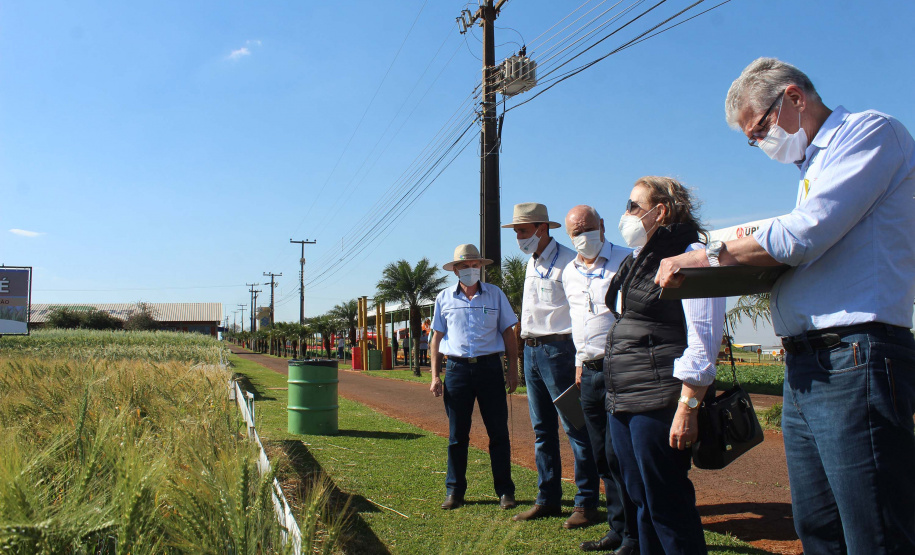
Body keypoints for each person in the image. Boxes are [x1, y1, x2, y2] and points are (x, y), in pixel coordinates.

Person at [656, 58, 915, 554]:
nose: (760, 145)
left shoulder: (869, 133)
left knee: (873, 529)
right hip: (810, 364)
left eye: (759, 129)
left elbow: (802, 235)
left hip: (854, 356)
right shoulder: (812, 167)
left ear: (793, 98)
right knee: (818, 527)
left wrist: (707, 253)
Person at [607, 176, 724, 555]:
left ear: (659, 212)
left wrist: (687, 407)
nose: (624, 215)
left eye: (632, 207)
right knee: (640, 498)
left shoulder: (692, 254)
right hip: (625, 398)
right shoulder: (638, 260)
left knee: (667, 503)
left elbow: (704, 340)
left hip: (659, 401)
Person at [503, 202, 601, 529]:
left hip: (560, 352)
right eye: (516, 231)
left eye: (523, 231)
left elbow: (578, 313)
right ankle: (547, 499)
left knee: (576, 427)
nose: (518, 238)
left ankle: (586, 503)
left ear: (542, 229)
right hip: (532, 352)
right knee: (542, 430)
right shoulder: (533, 262)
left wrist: (578, 358)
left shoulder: (568, 263)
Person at [560, 205, 638, 554]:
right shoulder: (569, 272)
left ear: (602, 226)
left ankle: (637, 534)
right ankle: (617, 529)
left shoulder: (627, 260)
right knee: (600, 456)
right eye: (575, 232)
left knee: (622, 453)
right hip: (588, 372)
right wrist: (579, 362)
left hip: (621, 367)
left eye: (588, 228)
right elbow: (580, 321)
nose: (583, 237)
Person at [429, 243, 520, 511]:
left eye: (475, 265)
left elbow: (508, 334)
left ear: (480, 267)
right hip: (456, 371)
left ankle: (505, 491)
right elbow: (436, 339)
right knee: (458, 435)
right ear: (455, 270)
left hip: (490, 369)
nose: (470, 270)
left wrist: (512, 370)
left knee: (498, 433)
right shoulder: (444, 298)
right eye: (465, 266)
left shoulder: (495, 295)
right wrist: (435, 376)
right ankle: (454, 492)